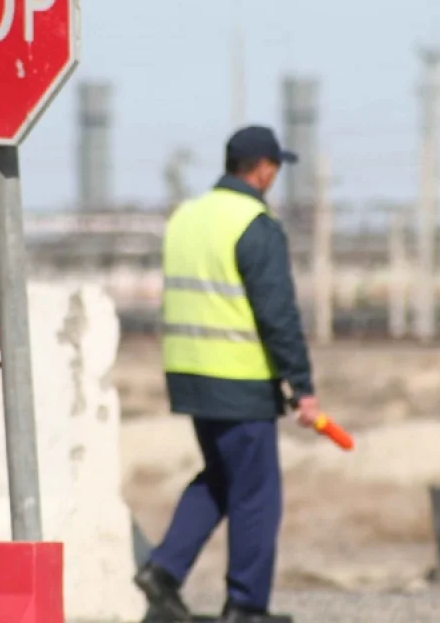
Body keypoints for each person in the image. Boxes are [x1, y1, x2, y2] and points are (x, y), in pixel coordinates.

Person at [133, 125, 319, 623]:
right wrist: (302, 386)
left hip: (189, 372)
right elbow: (277, 313)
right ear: (261, 168)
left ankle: (163, 571)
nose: (274, 177)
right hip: (239, 378)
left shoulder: (186, 218)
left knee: (220, 477)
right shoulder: (254, 223)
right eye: (275, 168)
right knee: (256, 493)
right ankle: (246, 606)